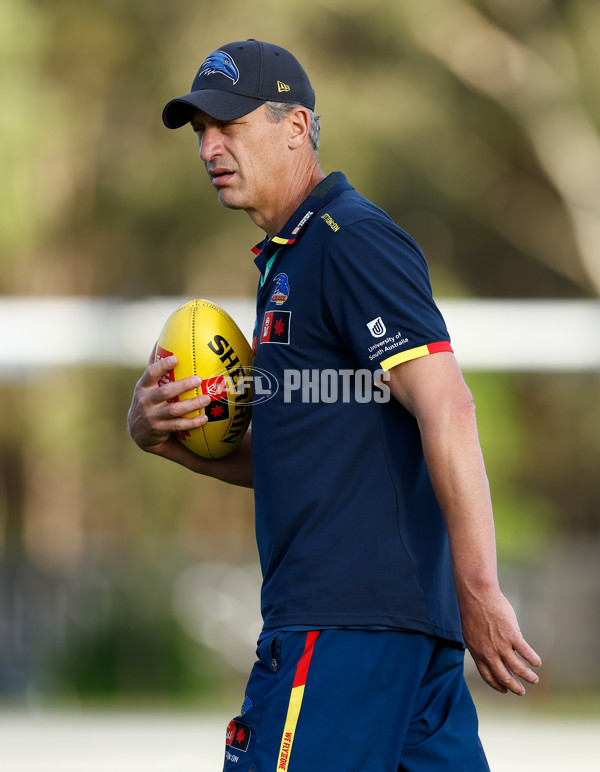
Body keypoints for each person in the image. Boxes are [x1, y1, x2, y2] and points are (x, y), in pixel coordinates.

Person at [128, 39, 541, 771]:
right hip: (392, 635)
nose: (210, 147)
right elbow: (293, 456)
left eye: (229, 125)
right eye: (200, 130)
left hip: (340, 630)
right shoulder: (292, 257)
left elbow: (448, 406)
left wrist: (479, 588)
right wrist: (162, 437)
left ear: (296, 127)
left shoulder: (349, 240)